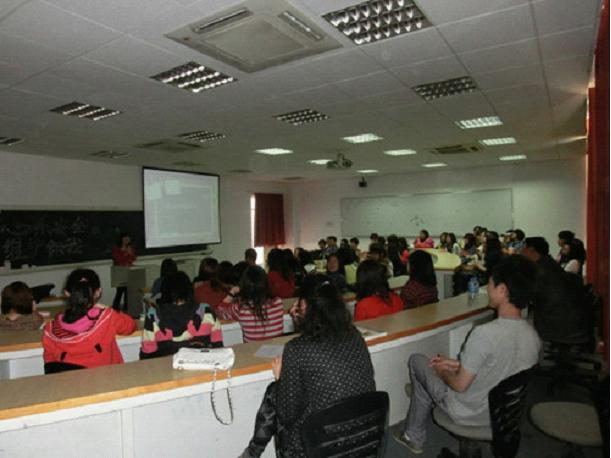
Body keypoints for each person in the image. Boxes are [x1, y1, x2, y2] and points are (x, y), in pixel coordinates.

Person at [394, 255, 541, 454]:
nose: (487, 289)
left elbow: (459, 385)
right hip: (504, 416)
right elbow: (499, 366)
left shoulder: (485, 334)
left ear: (502, 290)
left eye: (490, 284)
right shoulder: (532, 335)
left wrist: (441, 371)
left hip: (468, 412)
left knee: (417, 361)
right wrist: (455, 364)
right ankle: (420, 406)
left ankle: (414, 434)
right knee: (431, 376)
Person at [240, 275, 376, 458]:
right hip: (364, 438)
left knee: (275, 392)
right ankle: (251, 453)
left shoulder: (298, 349)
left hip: (320, 447)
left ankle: (252, 452)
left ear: (305, 305)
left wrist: (281, 379)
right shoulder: (355, 335)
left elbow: (287, 415)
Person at [42, 268, 136, 369]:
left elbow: (49, 362)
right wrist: (107, 308)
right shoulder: (107, 317)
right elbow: (131, 326)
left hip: (69, 379)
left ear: (67, 293)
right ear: (98, 292)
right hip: (107, 378)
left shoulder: (50, 330)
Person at [140, 271, 223, 359]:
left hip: (167, 367)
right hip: (203, 366)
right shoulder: (207, 312)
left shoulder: (153, 316)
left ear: (164, 292)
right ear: (190, 290)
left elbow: (148, 354)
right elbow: (218, 348)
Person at [521, 237, 585, 342]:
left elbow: (535, 294)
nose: (520, 251)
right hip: (561, 315)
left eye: (523, 247)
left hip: (555, 320)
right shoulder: (547, 263)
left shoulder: (542, 270)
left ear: (531, 249)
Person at [216, 266, 284, 342]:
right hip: (278, 347)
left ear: (244, 285)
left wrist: (232, 292)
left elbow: (220, 312)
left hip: (253, 348)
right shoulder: (278, 302)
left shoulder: (240, 309)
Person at [111, 232, 137, 311]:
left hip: (128, 272)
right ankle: (115, 309)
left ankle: (127, 309)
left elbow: (133, 259)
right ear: (121, 239)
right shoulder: (116, 248)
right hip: (119, 272)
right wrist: (126, 253)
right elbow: (119, 260)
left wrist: (130, 253)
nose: (127, 239)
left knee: (128, 292)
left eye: (128, 238)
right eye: (125, 238)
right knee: (119, 292)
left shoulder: (130, 248)